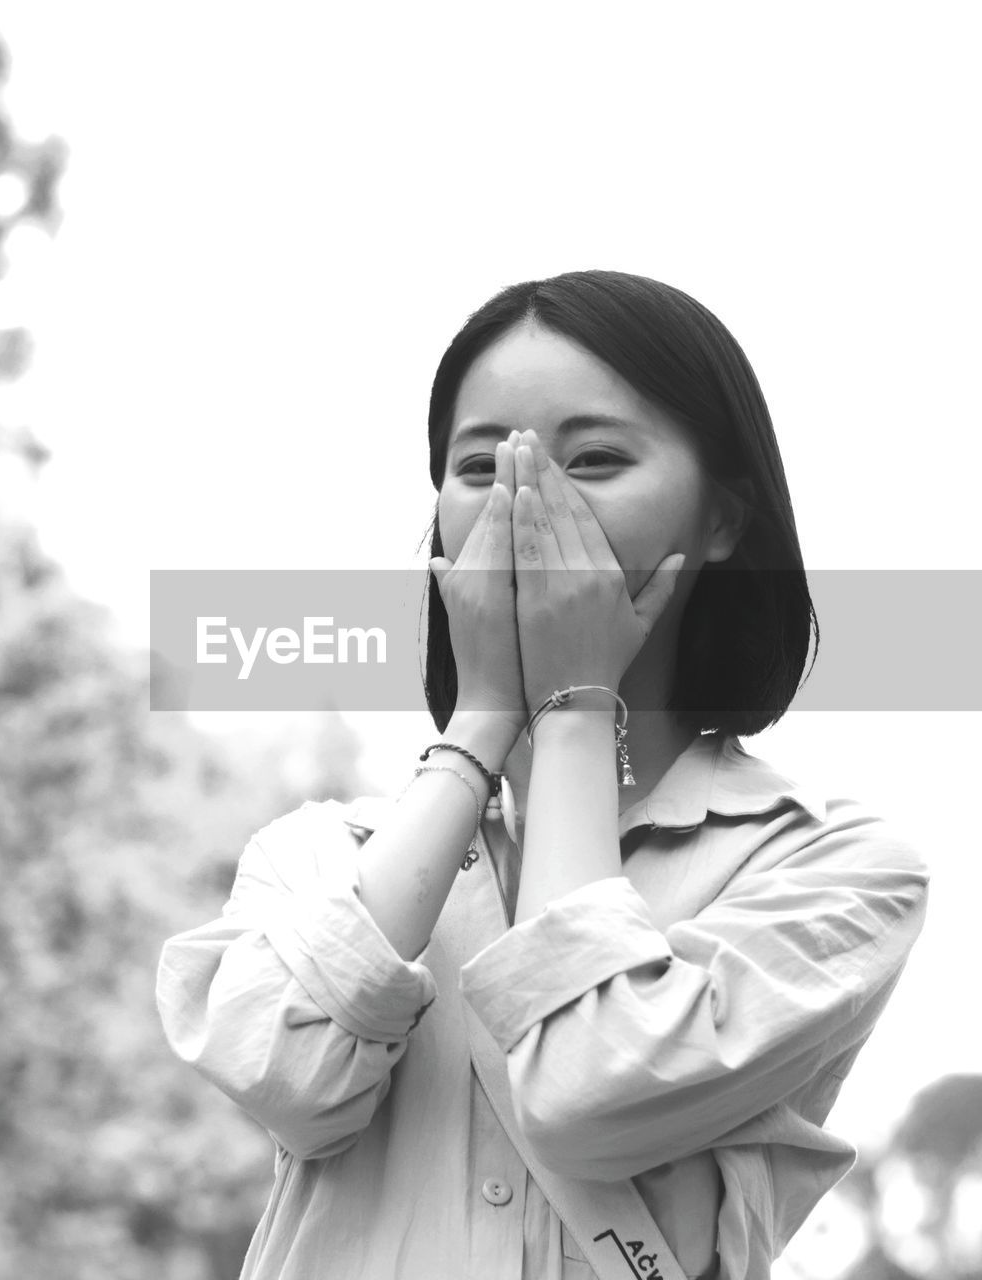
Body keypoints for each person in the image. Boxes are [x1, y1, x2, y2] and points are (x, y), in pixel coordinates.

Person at [154, 271, 929, 1280]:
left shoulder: (832, 869)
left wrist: (571, 711)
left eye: (595, 457)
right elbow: (291, 1079)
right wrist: (482, 721)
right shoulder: (316, 857)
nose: (527, 503)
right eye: (479, 466)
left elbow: (582, 1091)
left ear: (724, 517)